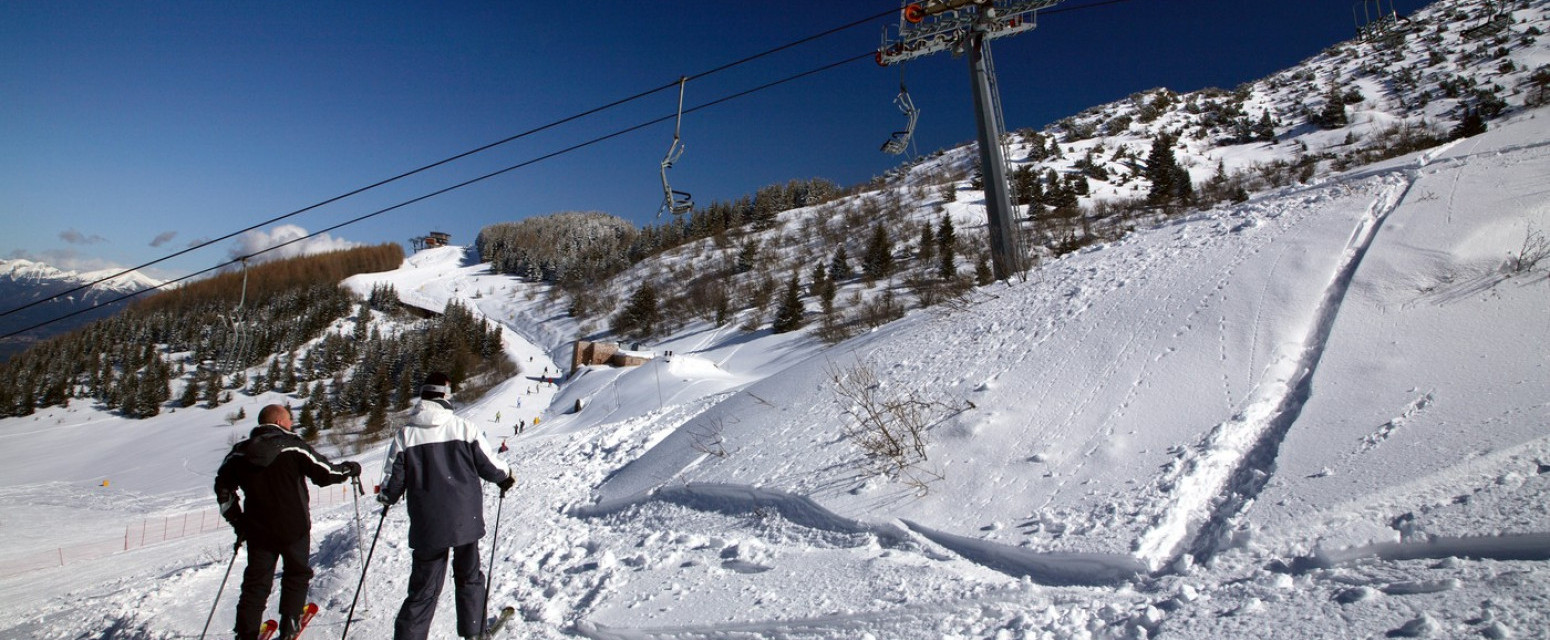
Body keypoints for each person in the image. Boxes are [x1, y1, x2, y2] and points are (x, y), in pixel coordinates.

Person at [378, 372, 515, 640]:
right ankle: (473, 632)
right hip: (465, 520)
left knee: (423, 588)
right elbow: (491, 467)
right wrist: (506, 476)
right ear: (445, 395)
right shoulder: (464, 429)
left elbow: (392, 482)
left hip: (428, 525)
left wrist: (387, 498)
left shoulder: (406, 436)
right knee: (469, 576)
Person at [215, 404, 361, 640]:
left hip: (257, 529)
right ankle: (290, 625)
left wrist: (238, 522)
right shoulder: (293, 446)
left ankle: (246, 633)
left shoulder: (239, 453)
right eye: (290, 420)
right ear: (281, 422)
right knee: (296, 574)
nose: (292, 424)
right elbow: (325, 473)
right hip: (294, 526)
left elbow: (223, 491)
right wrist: (348, 469)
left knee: (256, 583)